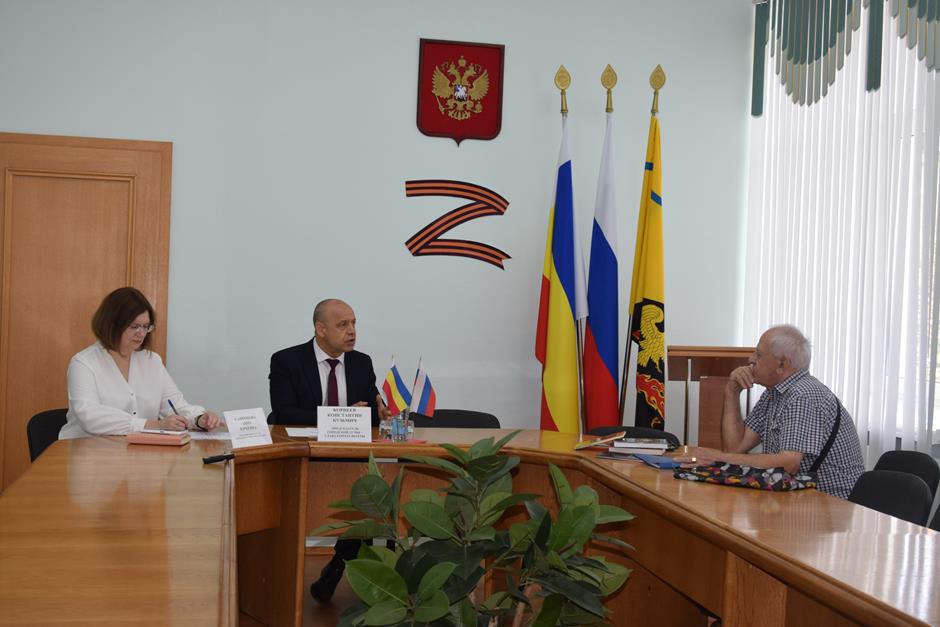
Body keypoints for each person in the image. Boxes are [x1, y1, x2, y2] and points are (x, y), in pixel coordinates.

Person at [268, 298, 390, 603]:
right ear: (320, 329)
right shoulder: (287, 360)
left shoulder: (361, 362)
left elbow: (370, 412)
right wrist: (338, 415)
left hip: (351, 457)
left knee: (372, 501)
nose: (352, 331)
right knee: (363, 506)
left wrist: (381, 412)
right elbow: (283, 412)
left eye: (354, 323)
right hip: (306, 456)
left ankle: (338, 566)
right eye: (343, 324)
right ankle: (337, 567)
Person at [676, 325, 864, 499]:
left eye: (758, 355)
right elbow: (735, 447)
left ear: (782, 364)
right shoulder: (774, 393)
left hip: (830, 505)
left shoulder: (803, 395)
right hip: (796, 497)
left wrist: (716, 458)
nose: (750, 360)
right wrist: (732, 391)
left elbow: (788, 464)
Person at [60, 287, 222, 439]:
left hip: (135, 451)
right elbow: (89, 415)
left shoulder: (152, 361)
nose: (141, 333)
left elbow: (174, 405)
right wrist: (151, 425)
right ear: (111, 324)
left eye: (146, 326)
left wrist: (199, 419)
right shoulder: (83, 363)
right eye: (134, 326)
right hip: (86, 450)